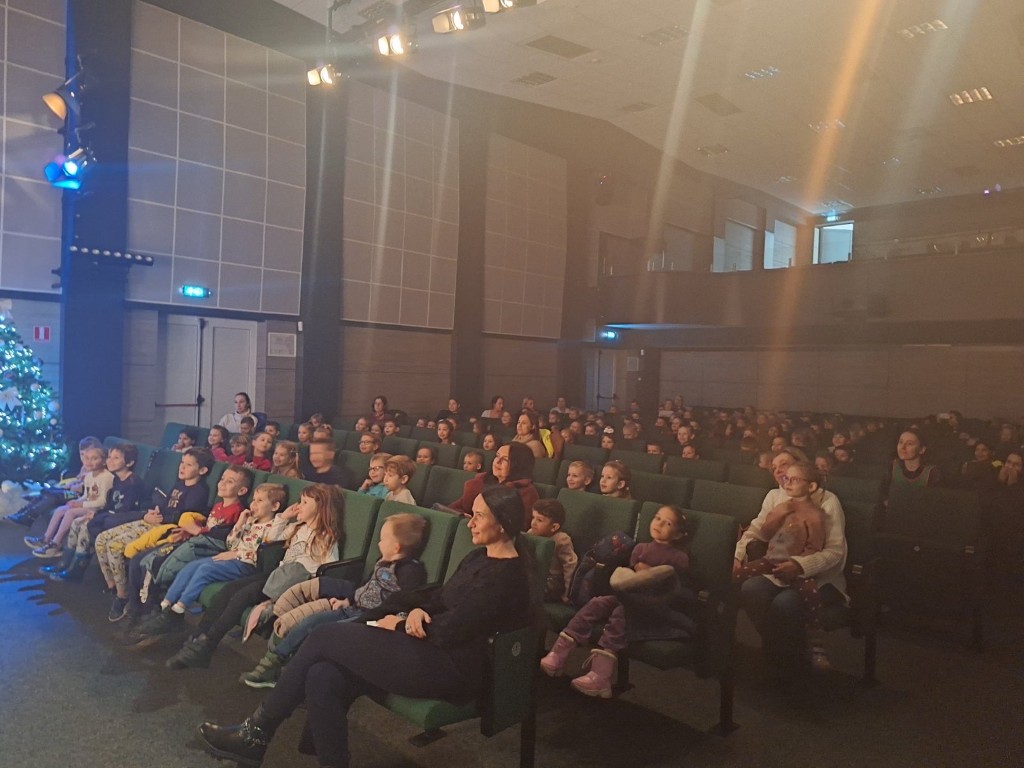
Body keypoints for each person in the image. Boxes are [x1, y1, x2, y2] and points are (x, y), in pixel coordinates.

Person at [196, 485, 533, 768]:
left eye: (479, 516)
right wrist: (413, 608)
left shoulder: (507, 577)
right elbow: (442, 597)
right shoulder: (479, 557)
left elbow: (454, 629)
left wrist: (399, 623)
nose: (470, 522)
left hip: (451, 667)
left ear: (503, 523)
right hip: (428, 645)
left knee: (324, 636)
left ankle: (256, 732)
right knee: (323, 674)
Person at [238, 513, 429, 689]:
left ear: (396, 547)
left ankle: (296, 678)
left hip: (370, 622)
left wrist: (389, 619)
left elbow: (406, 601)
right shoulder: (382, 562)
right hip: (353, 609)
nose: (378, 543)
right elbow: (365, 587)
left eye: (382, 539)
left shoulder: (410, 571)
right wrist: (348, 601)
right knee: (309, 623)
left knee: (321, 633)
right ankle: (272, 663)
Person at [166, 484, 344, 669]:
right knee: (228, 590)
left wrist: (309, 582)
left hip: (292, 582)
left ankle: (206, 646)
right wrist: (284, 517)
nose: (298, 506)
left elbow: (329, 567)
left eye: (304, 502)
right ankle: (197, 639)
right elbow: (272, 537)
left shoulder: (326, 536)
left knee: (241, 596)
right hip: (277, 574)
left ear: (321, 506)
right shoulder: (298, 527)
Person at [540, 504, 692, 698]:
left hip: (652, 604)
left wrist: (650, 573)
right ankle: (559, 653)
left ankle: (601, 676)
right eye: (657, 518)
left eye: (668, 523)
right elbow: (630, 576)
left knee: (620, 613)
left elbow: (672, 586)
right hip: (629, 596)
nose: (659, 524)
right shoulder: (640, 549)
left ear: (678, 534)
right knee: (597, 603)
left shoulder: (679, 557)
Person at [129, 483, 288, 645]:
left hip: (247, 564)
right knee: (192, 566)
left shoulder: (274, 527)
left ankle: (180, 607)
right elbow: (231, 543)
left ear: (275, 506)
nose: (253, 504)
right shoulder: (250, 522)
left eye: (260, 501)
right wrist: (240, 523)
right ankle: (167, 604)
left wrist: (237, 554)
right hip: (231, 557)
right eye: (253, 500)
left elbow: (265, 551)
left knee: (205, 569)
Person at [734, 448, 846, 671]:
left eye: (784, 465)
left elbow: (835, 551)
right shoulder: (775, 497)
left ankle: (790, 658)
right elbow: (757, 531)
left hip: (817, 575)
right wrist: (738, 555)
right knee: (751, 589)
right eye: (774, 468)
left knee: (785, 604)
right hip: (776, 565)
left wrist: (799, 565)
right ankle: (781, 650)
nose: (779, 472)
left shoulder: (827, 501)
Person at [94, 449, 213, 623]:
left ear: (202, 470)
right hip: (155, 520)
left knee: (114, 546)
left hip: (164, 527)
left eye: (188, 465)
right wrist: (156, 510)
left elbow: (185, 517)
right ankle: (113, 587)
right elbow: (167, 505)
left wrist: (161, 517)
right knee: (101, 539)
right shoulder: (179, 484)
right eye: (182, 463)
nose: (182, 467)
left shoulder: (199, 490)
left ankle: (122, 595)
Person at [46, 443, 147, 583]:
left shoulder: (133, 484)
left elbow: (122, 512)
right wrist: (95, 514)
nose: (110, 461)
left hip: (124, 521)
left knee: (86, 527)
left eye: (116, 458)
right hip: (110, 516)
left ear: (129, 463)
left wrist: (97, 516)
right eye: (109, 457)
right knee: (77, 523)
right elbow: (110, 504)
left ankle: (77, 569)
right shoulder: (117, 479)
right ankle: (65, 562)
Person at [27, 444, 114, 559]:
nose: (89, 462)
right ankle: (46, 538)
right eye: (87, 458)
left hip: (98, 508)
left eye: (94, 458)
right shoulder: (89, 477)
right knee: (61, 510)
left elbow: (102, 501)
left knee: (70, 512)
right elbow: (86, 495)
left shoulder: (107, 477)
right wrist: (76, 502)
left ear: (103, 461)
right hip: (87, 504)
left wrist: (80, 504)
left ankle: (56, 543)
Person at [448, 443, 539, 530]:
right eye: (497, 456)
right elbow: (455, 508)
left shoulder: (526, 492)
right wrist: (463, 515)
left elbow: (516, 527)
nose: (497, 462)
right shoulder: (481, 481)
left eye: (505, 459)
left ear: (518, 465)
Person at [529, 499, 577, 603]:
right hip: (536, 576)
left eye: (539, 520)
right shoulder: (531, 534)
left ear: (554, 527)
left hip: (553, 579)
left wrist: (567, 594)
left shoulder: (561, 540)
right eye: (533, 517)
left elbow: (570, 566)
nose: (533, 523)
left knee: (531, 591)